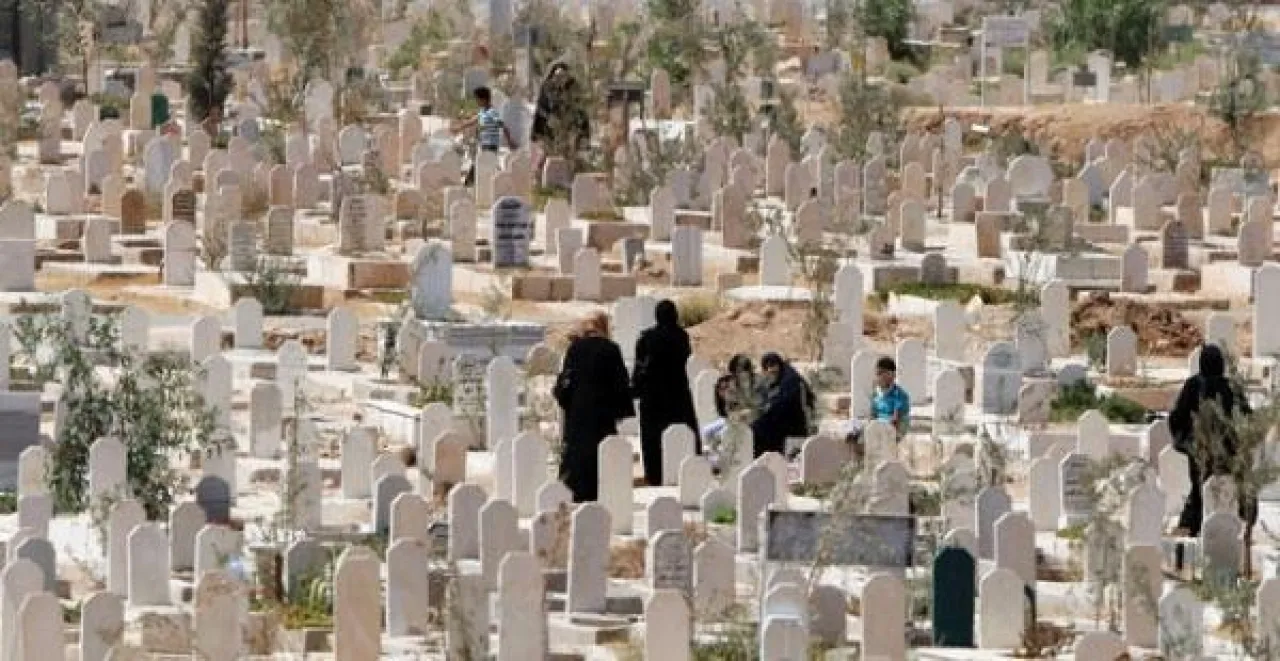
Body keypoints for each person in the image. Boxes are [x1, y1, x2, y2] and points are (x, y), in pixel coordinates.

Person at [1169, 343, 1252, 537]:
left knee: (1200, 490)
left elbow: (1178, 416)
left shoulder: (1193, 385)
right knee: (1225, 490)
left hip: (1200, 449)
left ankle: (1192, 528)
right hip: (1227, 450)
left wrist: (1185, 441)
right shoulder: (1230, 387)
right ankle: (1232, 529)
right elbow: (1247, 416)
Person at [554, 312, 635, 502]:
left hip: (578, 414)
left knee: (576, 458)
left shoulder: (575, 349)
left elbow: (566, 384)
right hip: (603, 416)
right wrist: (620, 411)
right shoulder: (611, 349)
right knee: (602, 457)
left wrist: (569, 405)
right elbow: (620, 384)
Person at [632, 300, 700, 486]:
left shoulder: (647, 338)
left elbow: (640, 368)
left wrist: (636, 389)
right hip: (677, 393)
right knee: (681, 433)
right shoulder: (681, 337)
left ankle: (654, 475)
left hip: (653, 395)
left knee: (653, 439)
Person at [751, 352, 814, 457]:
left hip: (792, 426)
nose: (770, 370)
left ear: (779, 364)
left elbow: (785, 405)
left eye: (773, 366)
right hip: (783, 420)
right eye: (767, 367)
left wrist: (766, 410)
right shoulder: (782, 377)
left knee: (757, 430)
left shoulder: (790, 380)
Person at [531, 62, 589, 169]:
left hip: (569, 132)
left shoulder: (573, 89)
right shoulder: (547, 88)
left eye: (563, 76)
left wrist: (581, 133)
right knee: (548, 161)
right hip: (550, 132)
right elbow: (541, 109)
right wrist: (549, 118)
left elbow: (580, 111)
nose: (560, 79)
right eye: (558, 76)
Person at [454, 86, 515, 186]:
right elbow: (472, 121)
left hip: (491, 144)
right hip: (484, 144)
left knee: (481, 164)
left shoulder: (492, 113)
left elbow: (502, 126)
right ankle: (472, 183)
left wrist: (510, 141)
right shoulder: (482, 112)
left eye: (477, 99)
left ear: (484, 99)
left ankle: (469, 184)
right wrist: (459, 127)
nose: (477, 102)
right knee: (480, 164)